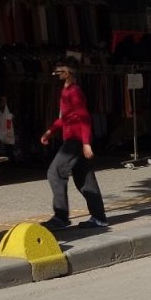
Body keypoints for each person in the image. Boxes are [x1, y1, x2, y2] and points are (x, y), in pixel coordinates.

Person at [41, 57, 107, 229]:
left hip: (75, 140)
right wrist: (50, 131)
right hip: (74, 139)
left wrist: (86, 143)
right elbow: (65, 118)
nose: (56, 73)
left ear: (68, 72)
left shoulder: (74, 92)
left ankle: (61, 217)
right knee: (84, 178)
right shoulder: (65, 92)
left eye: (59, 69)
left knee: (55, 172)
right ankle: (99, 217)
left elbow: (83, 117)